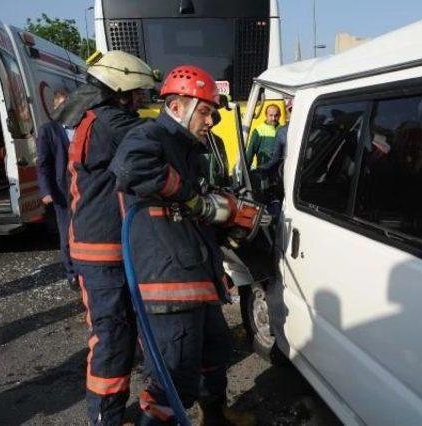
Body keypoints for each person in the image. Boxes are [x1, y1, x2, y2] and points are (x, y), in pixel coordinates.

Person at [111, 65, 264, 425]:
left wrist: (218, 212)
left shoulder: (186, 147)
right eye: (207, 111)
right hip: (167, 283)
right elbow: (130, 169)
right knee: (173, 376)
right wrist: (194, 199)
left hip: (195, 275)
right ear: (178, 106)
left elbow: (191, 203)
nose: (210, 121)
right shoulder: (149, 135)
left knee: (214, 352)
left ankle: (216, 418)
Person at [65, 51, 157, 425]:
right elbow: (156, 136)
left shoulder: (97, 118)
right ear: (120, 89)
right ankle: (106, 418)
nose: (140, 100)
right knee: (113, 339)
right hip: (102, 252)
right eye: (137, 93)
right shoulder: (111, 122)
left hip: (109, 247)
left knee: (132, 333)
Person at [36, 89, 77, 290]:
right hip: (63, 191)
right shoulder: (48, 130)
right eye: (60, 105)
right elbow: (43, 164)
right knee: (67, 233)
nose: (64, 108)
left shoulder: (80, 126)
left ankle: (85, 268)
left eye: (67, 104)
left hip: (85, 188)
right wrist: (45, 191)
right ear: (54, 107)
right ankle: (72, 274)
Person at [245, 103, 281, 168]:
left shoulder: (283, 130)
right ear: (266, 115)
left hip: (279, 172)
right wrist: (245, 171)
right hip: (264, 172)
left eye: (276, 115)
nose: (273, 118)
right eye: (271, 115)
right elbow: (250, 153)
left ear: (280, 115)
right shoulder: (258, 131)